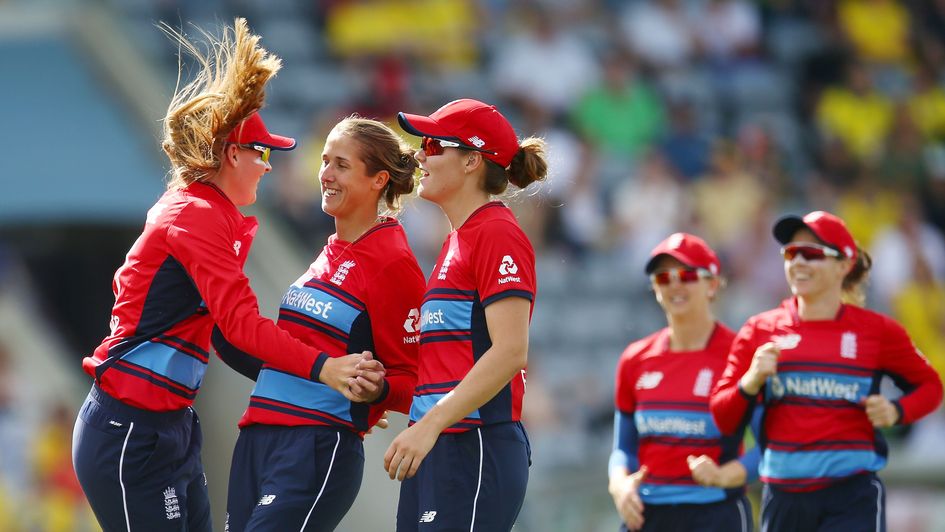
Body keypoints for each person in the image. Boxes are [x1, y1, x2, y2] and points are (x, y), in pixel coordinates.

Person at [72, 19, 364, 531]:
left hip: (171, 426)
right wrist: (325, 369)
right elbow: (242, 329)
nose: (269, 166)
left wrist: (318, 390)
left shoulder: (214, 215)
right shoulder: (197, 215)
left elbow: (228, 342)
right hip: (130, 428)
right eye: (263, 152)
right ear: (233, 154)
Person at [216, 117, 426, 531]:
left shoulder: (393, 262)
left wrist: (378, 390)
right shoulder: (331, 249)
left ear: (378, 179)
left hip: (316, 447)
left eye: (341, 165)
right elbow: (287, 356)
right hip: (257, 438)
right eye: (324, 161)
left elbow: (415, 379)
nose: (325, 174)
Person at [710, 210, 944, 531]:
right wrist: (750, 381)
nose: (798, 262)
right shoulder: (758, 330)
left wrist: (895, 411)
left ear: (844, 265)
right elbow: (722, 417)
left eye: (812, 254)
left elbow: (930, 386)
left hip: (851, 496)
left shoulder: (877, 331)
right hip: (783, 497)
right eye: (791, 253)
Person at [383, 98, 548, 531]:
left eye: (434, 145)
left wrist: (429, 425)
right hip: (442, 443)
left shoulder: (496, 232)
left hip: (474, 443)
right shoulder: (460, 239)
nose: (420, 154)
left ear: (473, 160)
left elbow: (511, 351)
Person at [609, 233, 758, 532]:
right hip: (646, 516)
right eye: (663, 277)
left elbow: (769, 446)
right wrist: (620, 485)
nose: (674, 284)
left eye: (686, 275)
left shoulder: (741, 355)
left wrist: (724, 475)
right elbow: (623, 448)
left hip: (716, 515)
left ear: (713, 284)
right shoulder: (635, 359)